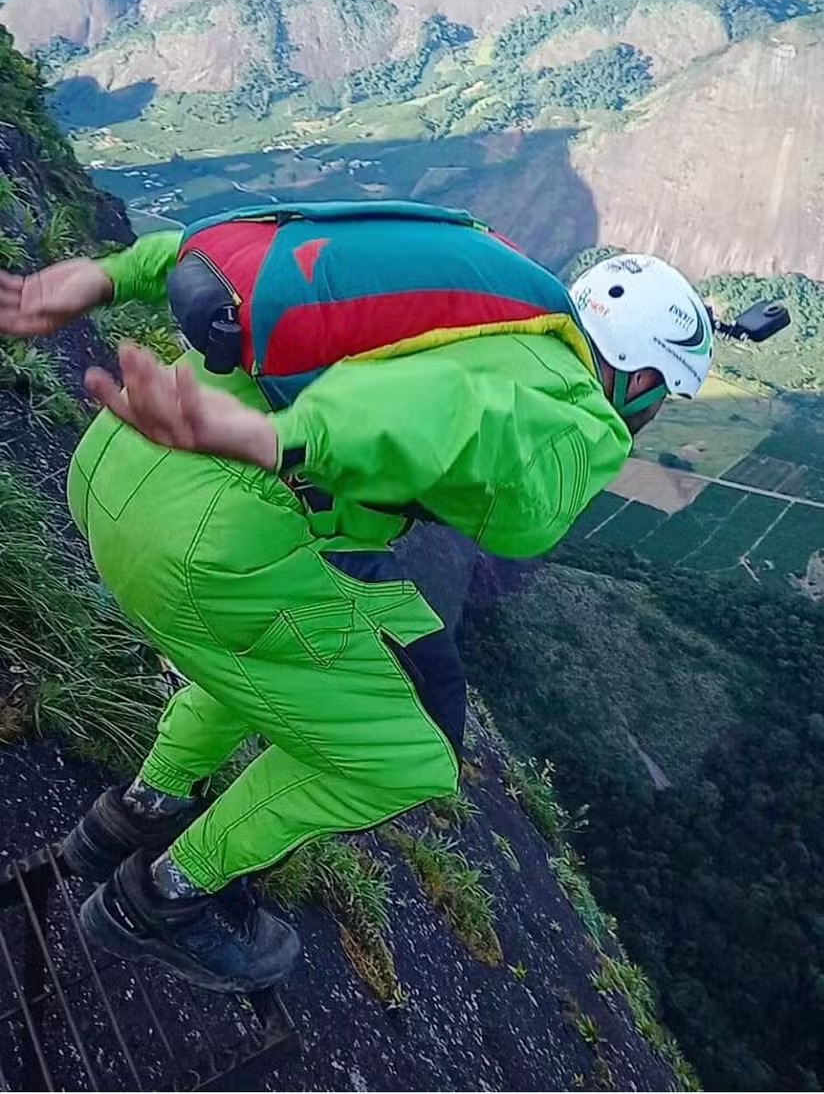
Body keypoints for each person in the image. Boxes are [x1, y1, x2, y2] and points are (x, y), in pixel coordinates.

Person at [0, 201, 713, 994]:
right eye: (659, 399)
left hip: (114, 465)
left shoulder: (487, 280)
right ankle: (165, 895)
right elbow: (446, 423)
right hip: (206, 542)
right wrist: (277, 440)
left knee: (329, 634)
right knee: (412, 758)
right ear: (643, 380)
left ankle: (140, 807)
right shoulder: (581, 415)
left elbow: (248, 251)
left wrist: (103, 277)